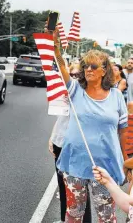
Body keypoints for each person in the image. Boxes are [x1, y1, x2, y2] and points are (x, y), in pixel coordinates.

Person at [47, 24, 128, 222]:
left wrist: (125, 162)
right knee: (73, 213)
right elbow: (61, 67)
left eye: (93, 66)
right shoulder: (75, 90)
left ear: (104, 71)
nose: (88, 69)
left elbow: (123, 131)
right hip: (75, 164)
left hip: (105, 166)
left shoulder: (117, 96)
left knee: (106, 216)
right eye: (85, 66)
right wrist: (55, 46)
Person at [48, 63, 92, 223]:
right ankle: (63, 219)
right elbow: (61, 118)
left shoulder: (85, 95)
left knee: (79, 191)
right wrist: (53, 137)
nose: (73, 78)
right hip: (61, 143)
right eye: (70, 75)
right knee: (63, 187)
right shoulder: (64, 94)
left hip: (78, 148)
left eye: (76, 75)